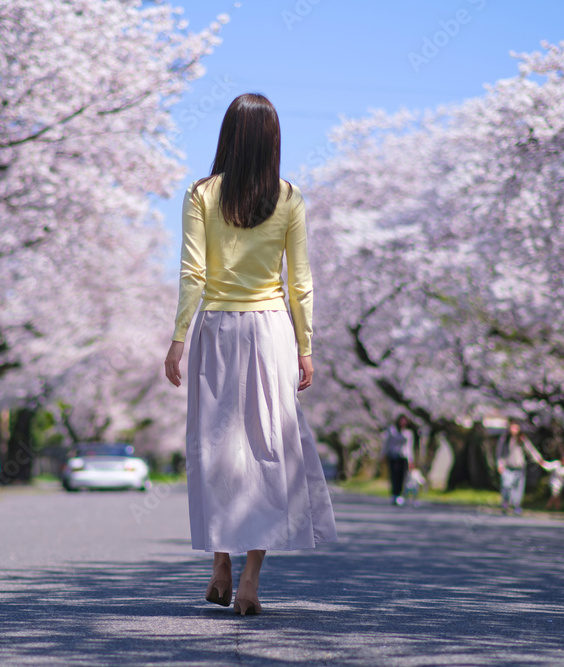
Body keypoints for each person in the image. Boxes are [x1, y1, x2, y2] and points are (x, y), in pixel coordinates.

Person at [164, 93, 338, 616]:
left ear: (227, 136)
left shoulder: (200, 194)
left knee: (216, 449)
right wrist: (305, 347)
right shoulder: (289, 198)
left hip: (214, 329)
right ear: (272, 141)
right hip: (269, 334)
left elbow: (193, 273)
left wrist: (178, 338)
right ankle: (250, 581)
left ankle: (220, 561)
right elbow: (300, 283)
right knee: (268, 449)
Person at [495, 420, 542, 515]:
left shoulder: (522, 438)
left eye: (516, 427)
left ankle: (516, 506)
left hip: (519, 467)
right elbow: (499, 453)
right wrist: (500, 464)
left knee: (518, 489)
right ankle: (505, 503)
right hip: (508, 468)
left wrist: (538, 459)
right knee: (506, 486)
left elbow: (530, 449)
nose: (514, 429)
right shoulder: (505, 439)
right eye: (512, 427)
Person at [383, 415, 417, 506]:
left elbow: (410, 447)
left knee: (403, 477)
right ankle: (395, 494)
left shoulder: (408, 433)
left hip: (404, 457)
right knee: (394, 476)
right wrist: (383, 455)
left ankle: (401, 495)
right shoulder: (392, 431)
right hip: (393, 456)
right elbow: (387, 443)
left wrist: (411, 460)